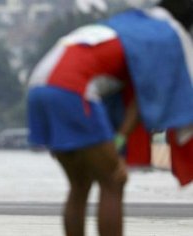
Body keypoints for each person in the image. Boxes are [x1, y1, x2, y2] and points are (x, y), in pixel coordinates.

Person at [27, 1, 193, 236]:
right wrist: (118, 141)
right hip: (71, 87)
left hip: (39, 83)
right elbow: (141, 97)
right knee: (114, 179)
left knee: (80, 183)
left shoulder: (128, 27)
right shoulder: (160, 39)